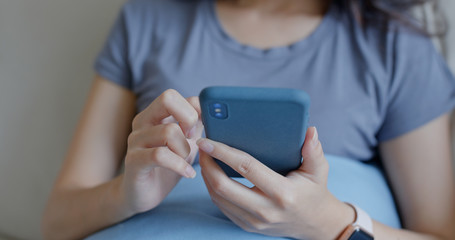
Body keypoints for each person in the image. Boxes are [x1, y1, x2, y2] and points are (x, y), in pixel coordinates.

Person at [42, 0, 455, 239]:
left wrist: (330, 223)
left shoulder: (393, 46)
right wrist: (126, 196)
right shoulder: (148, 17)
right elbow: (56, 223)